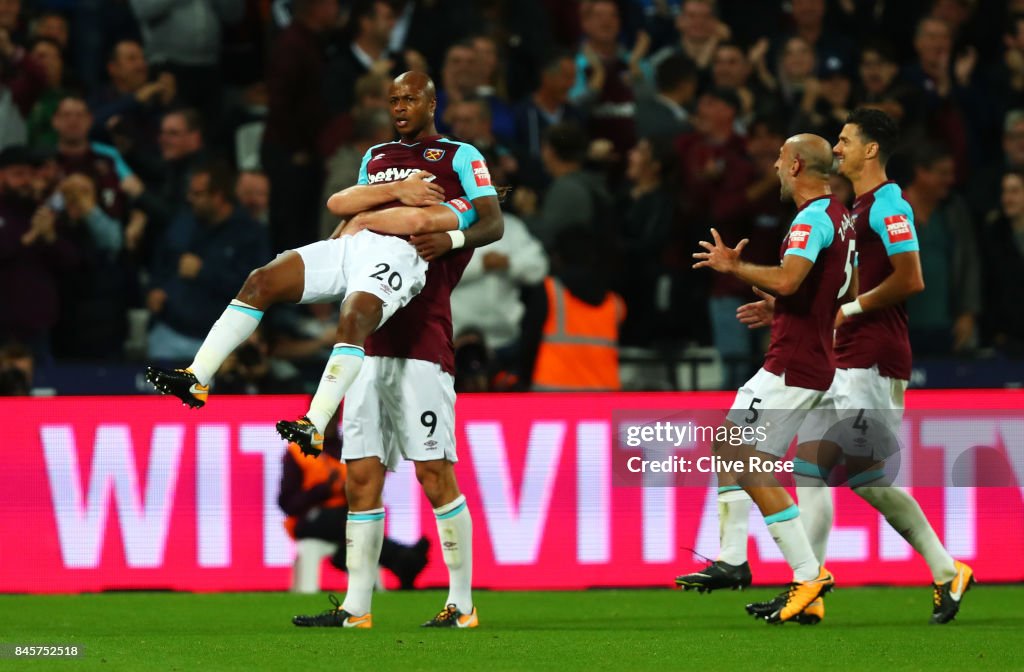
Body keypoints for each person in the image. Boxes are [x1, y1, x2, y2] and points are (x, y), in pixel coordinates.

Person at [147, 72, 499, 450]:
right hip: (353, 242)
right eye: (394, 100)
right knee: (261, 280)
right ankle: (196, 376)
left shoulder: (460, 156)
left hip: (401, 253)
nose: (399, 108)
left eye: (409, 100)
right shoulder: (376, 155)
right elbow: (342, 205)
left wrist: (451, 238)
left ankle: (315, 421)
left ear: (431, 104)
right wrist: (387, 197)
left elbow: (477, 220)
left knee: (353, 316)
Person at [681, 133, 853, 624]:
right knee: (731, 445)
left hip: (794, 362)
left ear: (796, 164)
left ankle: (807, 574)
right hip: (806, 352)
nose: (775, 168)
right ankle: (734, 558)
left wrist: (736, 267)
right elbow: (843, 287)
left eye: (779, 159)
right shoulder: (842, 219)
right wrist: (785, 309)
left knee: (743, 457)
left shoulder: (812, 219)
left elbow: (791, 277)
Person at [278, 415, 429, 589]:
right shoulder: (298, 451)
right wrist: (323, 490)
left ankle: (395, 560)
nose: (328, 423)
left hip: (345, 516)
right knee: (353, 524)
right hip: (309, 520)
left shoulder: (349, 449)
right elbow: (287, 503)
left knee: (359, 522)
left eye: (332, 417)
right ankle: (400, 557)